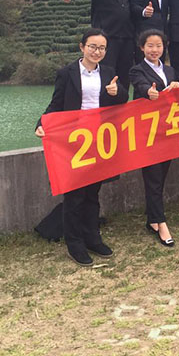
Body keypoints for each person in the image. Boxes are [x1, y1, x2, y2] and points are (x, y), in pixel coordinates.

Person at [35, 28, 128, 266]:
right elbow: (56, 104)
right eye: (93, 47)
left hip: (99, 139)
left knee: (93, 193)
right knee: (74, 194)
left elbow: (122, 100)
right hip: (74, 141)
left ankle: (92, 237)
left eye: (102, 48)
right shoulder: (66, 73)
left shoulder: (108, 72)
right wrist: (41, 123)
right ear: (82, 47)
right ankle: (74, 243)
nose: (97, 52)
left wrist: (117, 92)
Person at [129, 29, 179, 247]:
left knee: (161, 174)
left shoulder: (169, 70)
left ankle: (152, 220)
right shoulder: (136, 70)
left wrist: (177, 86)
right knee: (153, 177)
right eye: (150, 45)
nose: (154, 50)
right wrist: (148, 92)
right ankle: (161, 222)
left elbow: (175, 95)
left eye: (158, 45)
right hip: (147, 132)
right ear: (142, 47)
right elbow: (141, 86)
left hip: (166, 129)